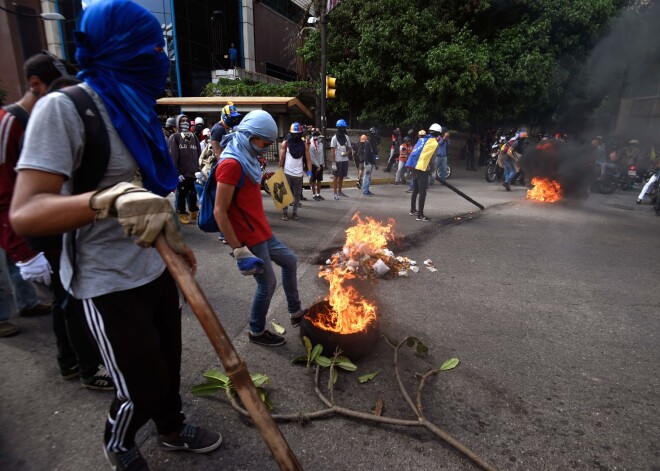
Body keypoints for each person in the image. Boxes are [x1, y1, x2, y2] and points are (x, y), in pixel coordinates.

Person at [10, 1, 222, 468]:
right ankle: (120, 443)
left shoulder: (137, 107)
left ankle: (170, 427)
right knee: (139, 382)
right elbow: (25, 213)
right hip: (104, 279)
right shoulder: (65, 110)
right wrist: (105, 199)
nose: (159, 57)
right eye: (150, 46)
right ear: (117, 47)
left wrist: (177, 245)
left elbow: (150, 192)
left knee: (167, 365)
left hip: (155, 266)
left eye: (161, 47)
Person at [213, 110, 305, 346]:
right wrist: (238, 250)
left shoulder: (248, 157)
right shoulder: (231, 164)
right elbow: (219, 211)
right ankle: (256, 331)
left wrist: (268, 182)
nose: (265, 148)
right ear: (249, 135)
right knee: (267, 284)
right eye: (264, 143)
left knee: (290, 260)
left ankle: (295, 313)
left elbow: (249, 190)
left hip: (262, 230)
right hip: (248, 236)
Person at [169, 114, 201, 224]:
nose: (185, 123)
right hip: (182, 173)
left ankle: (193, 211)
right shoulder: (175, 137)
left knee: (193, 193)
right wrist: (176, 172)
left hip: (193, 172)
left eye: (187, 121)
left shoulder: (194, 137)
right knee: (182, 194)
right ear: (177, 123)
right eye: (182, 121)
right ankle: (181, 213)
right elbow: (173, 156)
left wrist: (199, 169)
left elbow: (199, 154)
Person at [279, 123, 313, 220]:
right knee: (285, 194)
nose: (296, 136)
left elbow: (308, 159)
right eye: (294, 134)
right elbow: (282, 158)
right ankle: (285, 213)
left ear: (301, 134)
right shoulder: (285, 143)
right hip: (287, 172)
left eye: (298, 134)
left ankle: (294, 212)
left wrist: (310, 172)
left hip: (299, 174)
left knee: (297, 194)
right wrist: (279, 170)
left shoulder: (304, 145)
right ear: (290, 133)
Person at [409, 124, 441, 221]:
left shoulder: (421, 139)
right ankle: (420, 215)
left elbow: (414, 152)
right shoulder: (434, 143)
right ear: (437, 133)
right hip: (422, 168)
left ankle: (413, 210)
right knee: (423, 192)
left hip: (414, 166)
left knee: (415, 189)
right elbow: (432, 160)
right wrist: (432, 171)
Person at [330, 119, 352, 200]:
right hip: (338, 160)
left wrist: (347, 153)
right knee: (336, 177)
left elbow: (350, 148)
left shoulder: (346, 137)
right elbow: (332, 151)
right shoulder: (334, 138)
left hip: (345, 160)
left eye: (344, 128)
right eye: (342, 128)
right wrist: (333, 163)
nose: (344, 129)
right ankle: (335, 193)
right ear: (339, 128)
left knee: (342, 176)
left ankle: (340, 191)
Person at [308, 128, 325, 200]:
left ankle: (318, 194)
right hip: (314, 165)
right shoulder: (311, 146)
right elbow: (312, 158)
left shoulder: (320, 145)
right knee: (313, 180)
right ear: (316, 138)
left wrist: (322, 164)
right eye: (319, 138)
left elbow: (322, 155)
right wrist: (317, 166)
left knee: (319, 180)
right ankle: (314, 195)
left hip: (320, 164)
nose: (320, 139)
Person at [362, 128, 378, 196]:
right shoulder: (368, 142)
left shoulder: (373, 142)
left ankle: (367, 190)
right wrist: (366, 164)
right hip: (368, 162)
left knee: (369, 178)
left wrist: (375, 163)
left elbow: (375, 153)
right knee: (366, 177)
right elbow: (366, 154)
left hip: (372, 162)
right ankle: (365, 191)